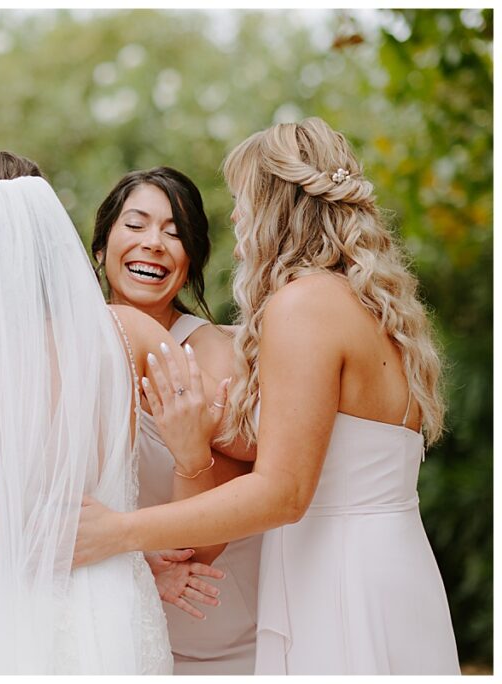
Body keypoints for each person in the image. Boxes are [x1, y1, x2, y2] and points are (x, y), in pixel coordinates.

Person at [74, 118, 460, 674]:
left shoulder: (304, 306)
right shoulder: (365, 304)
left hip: (339, 578)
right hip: (383, 564)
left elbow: (282, 493)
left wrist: (119, 532)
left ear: (277, 204)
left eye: (243, 200)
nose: (235, 218)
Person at [0, 151, 227, 674]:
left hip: (6, 620)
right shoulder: (129, 332)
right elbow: (230, 447)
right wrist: (192, 457)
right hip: (120, 611)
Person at [91, 166, 260, 674]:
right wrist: (135, 564)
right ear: (101, 247)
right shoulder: (69, 345)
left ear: (191, 261)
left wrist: (192, 453)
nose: (154, 244)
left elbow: (208, 537)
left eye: (174, 232)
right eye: (137, 225)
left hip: (208, 624)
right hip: (105, 612)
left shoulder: (212, 354)